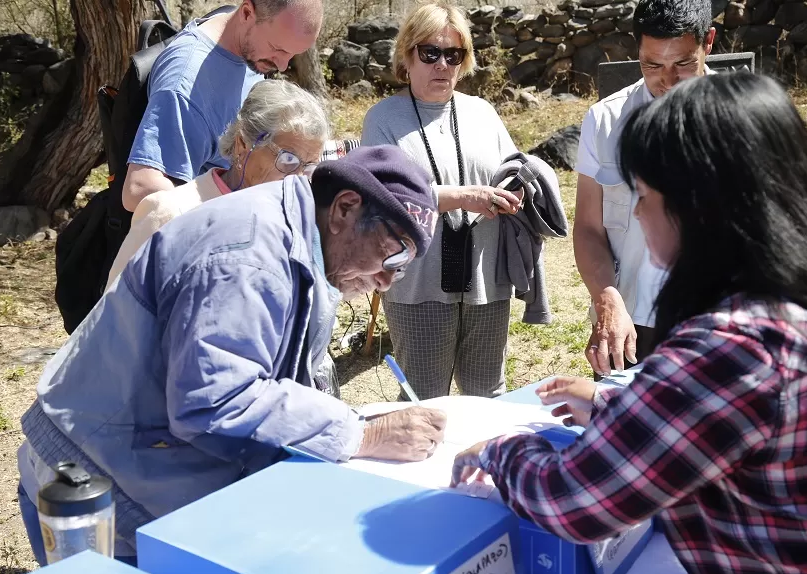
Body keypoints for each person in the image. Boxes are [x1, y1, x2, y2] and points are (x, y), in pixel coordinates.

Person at [452, 74, 807, 574]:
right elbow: (735, 432)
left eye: (645, 197)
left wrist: (502, 450)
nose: (640, 216)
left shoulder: (733, 345)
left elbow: (576, 502)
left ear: (698, 207)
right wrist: (614, 411)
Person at [18, 146, 447, 565]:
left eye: (406, 264)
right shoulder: (248, 257)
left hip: (140, 460)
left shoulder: (303, 239)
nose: (390, 279)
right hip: (97, 480)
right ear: (345, 209)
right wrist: (360, 435)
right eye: (396, 252)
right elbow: (214, 397)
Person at [361, 0, 525, 401]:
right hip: (418, 284)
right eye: (430, 53)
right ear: (407, 54)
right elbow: (380, 195)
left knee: (487, 394)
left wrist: (520, 188)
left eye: (454, 55)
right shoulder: (383, 117)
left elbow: (513, 166)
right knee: (423, 399)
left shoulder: (482, 112)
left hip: (486, 279)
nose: (442, 65)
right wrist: (464, 197)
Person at [574, 0, 715, 378]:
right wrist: (607, 301)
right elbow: (588, 228)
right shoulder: (605, 121)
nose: (667, 80)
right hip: (631, 324)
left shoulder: (746, 116)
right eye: (652, 65)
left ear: (709, 43)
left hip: (717, 325)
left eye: (683, 64)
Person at [107, 79, 328, 287]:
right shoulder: (172, 213)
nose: (297, 178)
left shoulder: (295, 223)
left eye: (308, 166)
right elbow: (115, 316)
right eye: (288, 159)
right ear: (243, 145)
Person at [121, 0, 322, 213]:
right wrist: (229, 221)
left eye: (292, 55)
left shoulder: (245, 45)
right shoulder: (186, 82)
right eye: (277, 49)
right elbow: (139, 189)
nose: (282, 65)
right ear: (246, 13)